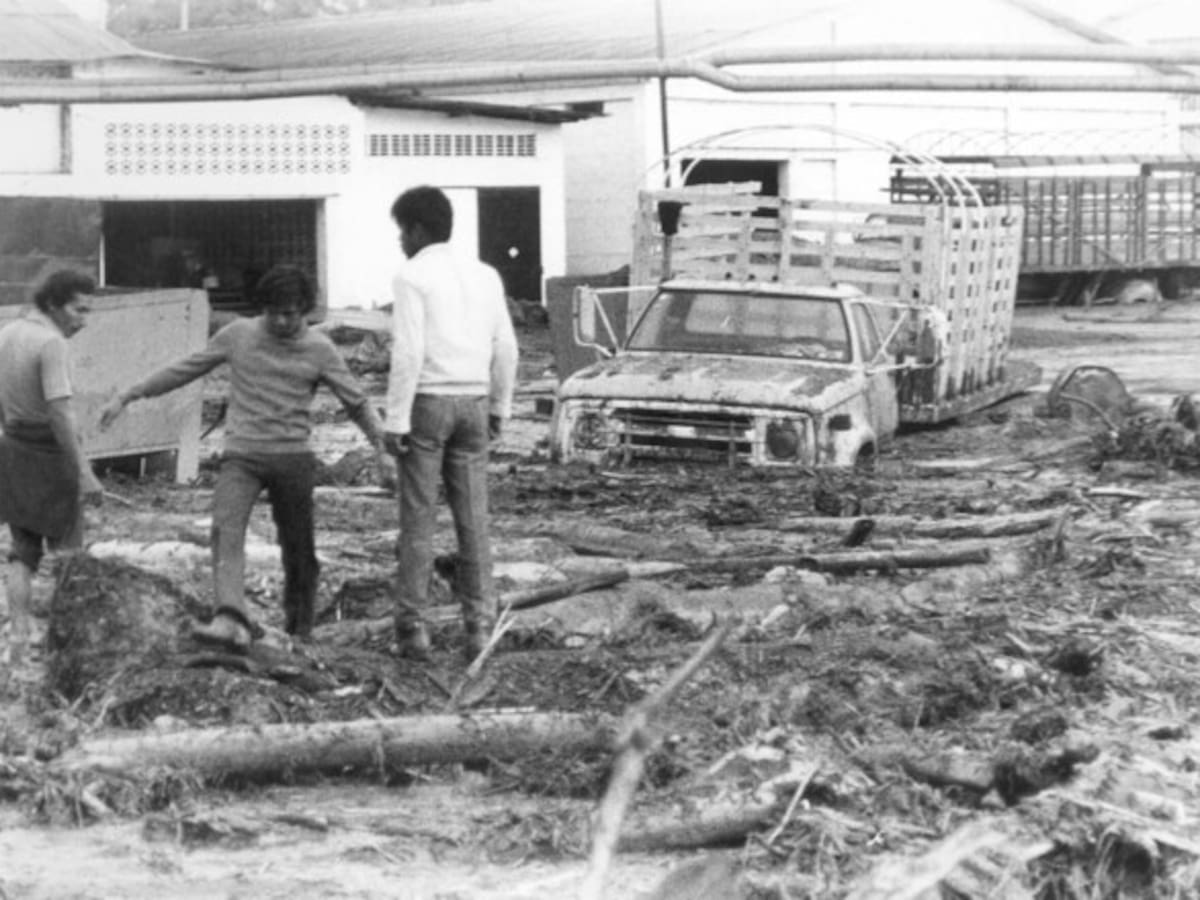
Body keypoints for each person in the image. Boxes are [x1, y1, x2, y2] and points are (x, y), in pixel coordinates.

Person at [100, 265, 392, 650]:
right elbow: (186, 369)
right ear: (263, 309)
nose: (283, 321)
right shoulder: (238, 335)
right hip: (242, 456)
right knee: (225, 527)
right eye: (274, 312)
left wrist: (382, 449)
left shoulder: (321, 349)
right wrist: (130, 394)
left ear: (306, 310)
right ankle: (230, 617)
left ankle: (300, 631)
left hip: (293, 459)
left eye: (291, 313)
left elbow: (356, 402)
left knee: (298, 545)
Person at [384, 185, 518, 661]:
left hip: (429, 403)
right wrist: (500, 405)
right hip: (474, 401)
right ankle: (480, 626)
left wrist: (395, 417)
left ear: (418, 229)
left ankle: (412, 629)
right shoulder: (485, 274)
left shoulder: (412, 276)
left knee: (418, 519)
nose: (401, 240)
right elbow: (506, 346)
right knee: (473, 521)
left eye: (402, 231)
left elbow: (409, 352)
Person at [0, 269, 103, 665]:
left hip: (13, 448)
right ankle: (66, 648)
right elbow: (61, 412)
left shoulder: (8, 333)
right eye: (79, 310)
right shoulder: (51, 343)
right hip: (50, 453)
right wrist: (84, 471)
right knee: (68, 553)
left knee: (22, 553)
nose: (83, 319)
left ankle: (19, 636)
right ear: (55, 305)